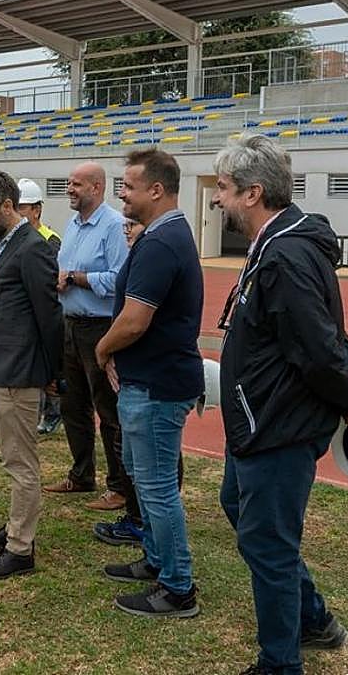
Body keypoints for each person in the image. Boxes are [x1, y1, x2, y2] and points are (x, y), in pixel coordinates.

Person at [212, 135, 348, 675]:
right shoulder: (273, 247)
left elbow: (319, 343)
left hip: (278, 424)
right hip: (258, 419)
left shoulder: (285, 256)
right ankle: (314, 620)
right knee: (240, 508)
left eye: (224, 189)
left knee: (269, 547)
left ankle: (280, 663)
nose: (218, 199)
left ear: (254, 193)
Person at [96, 149, 203, 619]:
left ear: (156, 190)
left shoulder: (161, 243)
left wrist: (103, 349)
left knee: (157, 486)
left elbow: (135, 320)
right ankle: (157, 561)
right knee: (143, 477)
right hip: (149, 379)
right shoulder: (163, 236)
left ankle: (178, 586)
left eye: (128, 186)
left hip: (156, 385)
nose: (123, 194)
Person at [0, 171, 63, 580]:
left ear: (9, 206)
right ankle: (15, 529)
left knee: (22, 463)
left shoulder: (32, 249)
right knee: (14, 458)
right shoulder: (8, 243)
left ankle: (20, 549)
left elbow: (50, 316)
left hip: (19, 373)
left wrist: (53, 375)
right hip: (4, 368)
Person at [47, 163, 131, 517]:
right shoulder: (73, 225)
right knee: (72, 405)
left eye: (76, 184)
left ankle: (120, 487)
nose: (70, 189)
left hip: (99, 328)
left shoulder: (113, 226)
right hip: (70, 325)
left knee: (109, 410)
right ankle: (81, 475)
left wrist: (77, 278)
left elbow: (119, 279)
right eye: (68, 183)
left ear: (97, 187)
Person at [15, 178, 64, 436]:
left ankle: (54, 413)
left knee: (51, 365)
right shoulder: (15, 239)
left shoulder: (50, 240)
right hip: (26, 315)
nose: (19, 213)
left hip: (46, 312)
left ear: (37, 209)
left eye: (23, 208)